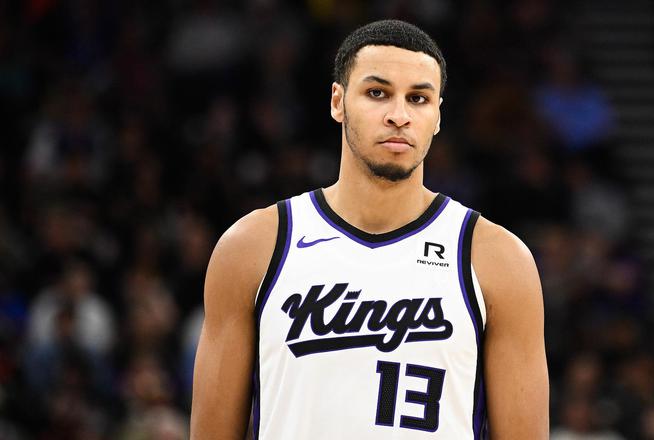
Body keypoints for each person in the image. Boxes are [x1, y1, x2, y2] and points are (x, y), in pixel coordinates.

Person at [190, 19, 549, 439]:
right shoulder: (254, 246)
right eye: (377, 93)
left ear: (437, 115)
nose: (399, 116)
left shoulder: (496, 259)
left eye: (418, 98)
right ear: (338, 101)